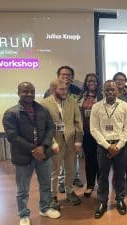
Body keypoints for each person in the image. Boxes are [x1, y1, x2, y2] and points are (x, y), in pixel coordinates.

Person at [2, 82, 60, 225]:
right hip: (23, 157)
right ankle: (23, 215)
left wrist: (44, 146)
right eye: (25, 91)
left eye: (32, 92)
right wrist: (33, 149)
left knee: (45, 185)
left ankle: (45, 208)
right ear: (18, 93)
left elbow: (50, 128)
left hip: (44, 155)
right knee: (23, 189)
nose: (29, 94)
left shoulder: (42, 109)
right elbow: (12, 136)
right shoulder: (11, 113)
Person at [90, 80, 127, 219]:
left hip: (120, 146)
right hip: (103, 146)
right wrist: (108, 146)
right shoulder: (96, 107)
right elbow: (94, 129)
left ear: (118, 91)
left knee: (120, 174)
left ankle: (120, 200)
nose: (110, 92)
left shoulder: (125, 106)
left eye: (113, 90)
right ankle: (102, 201)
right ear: (103, 91)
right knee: (102, 175)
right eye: (107, 89)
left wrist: (118, 145)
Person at [40, 79, 83, 210]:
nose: (65, 92)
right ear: (53, 90)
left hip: (71, 142)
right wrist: (51, 143)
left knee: (70, 169)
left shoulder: (72, 101)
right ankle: (53, 196)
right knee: (54, 171)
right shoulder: (44, 104)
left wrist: (78, 140)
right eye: (61, 89)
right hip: (55, 143)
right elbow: (43, 126)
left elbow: (78, 122)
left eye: (66, 89)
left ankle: (69, 191)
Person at [78, 73, 103, 197]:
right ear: (85, 83)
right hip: (86, 133)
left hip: (99, 133)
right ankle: (90, 185)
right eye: (88, 81)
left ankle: (101, 185)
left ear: (98, 83)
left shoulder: (102, 96)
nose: (91, 82)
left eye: (93, 80)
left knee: (100, 160)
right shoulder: (81, 97)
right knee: (89, 160)